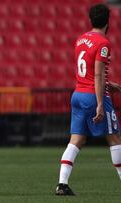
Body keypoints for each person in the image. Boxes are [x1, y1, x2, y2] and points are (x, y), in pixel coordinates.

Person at [55, 4, 121, 195]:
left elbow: (88, 72)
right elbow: (98, 75)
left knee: (76, 139)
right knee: (115, 138)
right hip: (94, 96)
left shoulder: (80, 39)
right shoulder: (103, 43)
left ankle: (62, 184)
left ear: (90, 20)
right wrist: (101, 104)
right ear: (108, 22)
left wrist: (108, 83)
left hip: (78, 95)